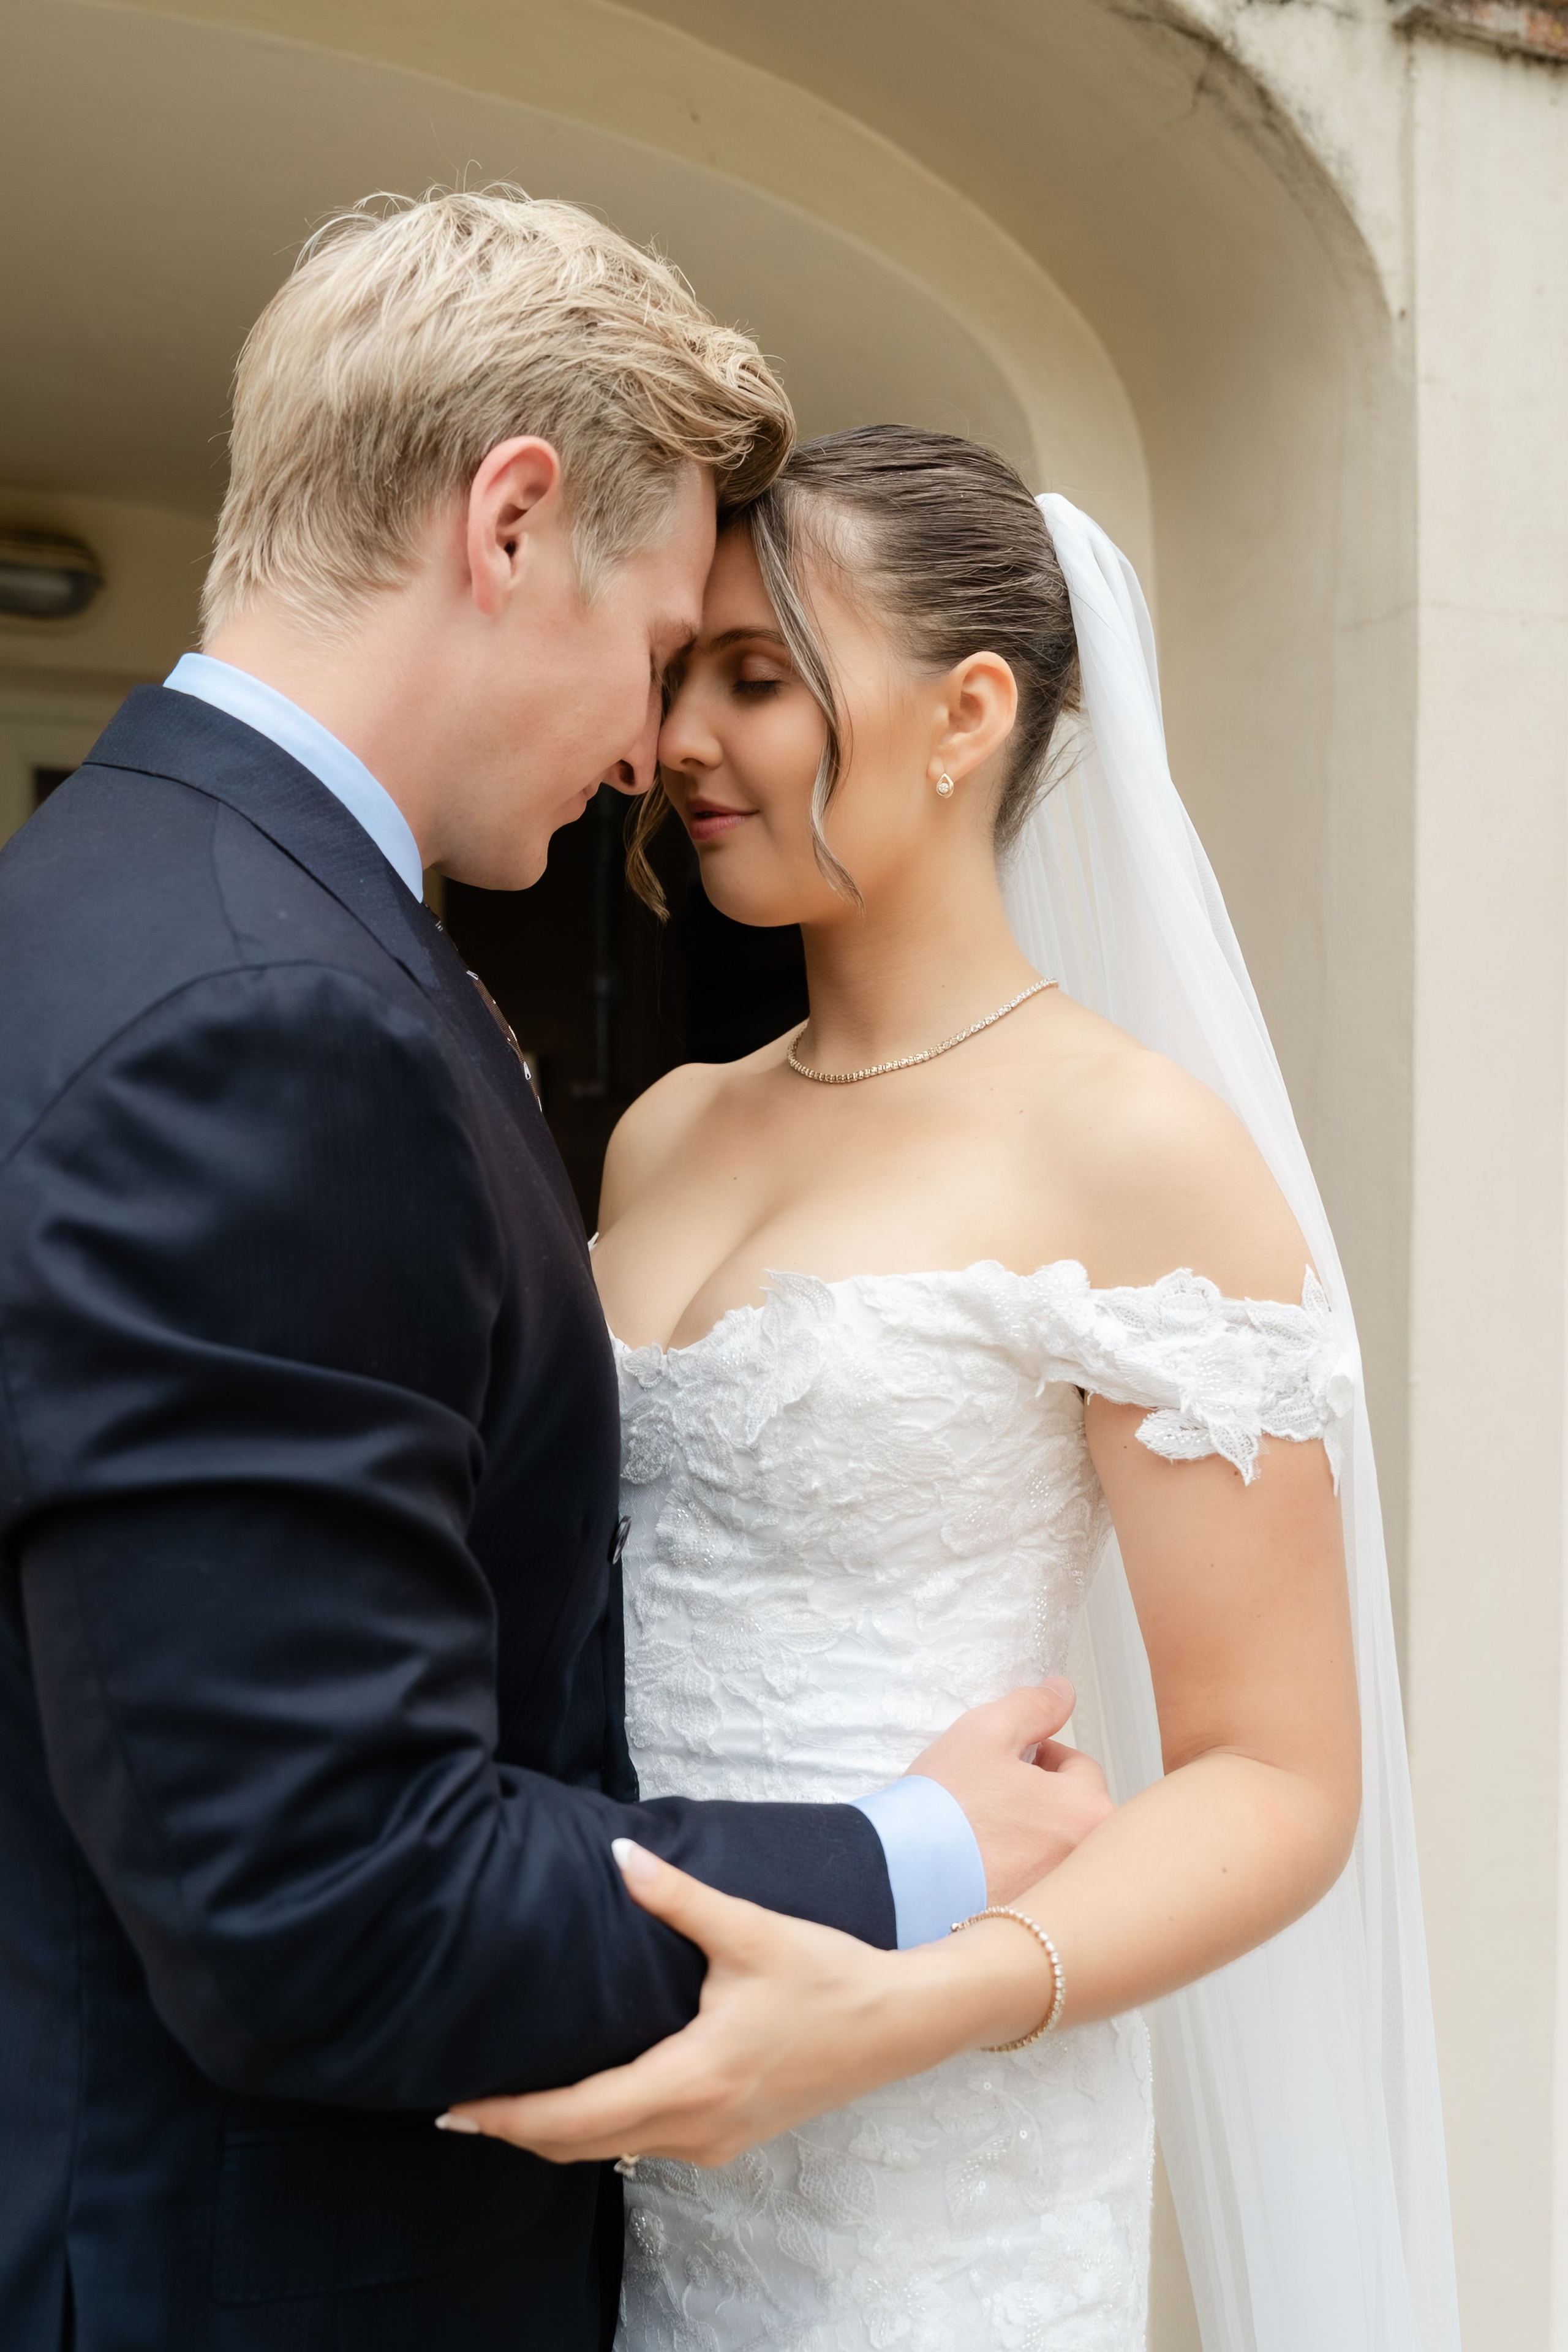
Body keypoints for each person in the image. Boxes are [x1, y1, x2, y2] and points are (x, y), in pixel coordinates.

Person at [0, 209, 1109, 2352]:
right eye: (664, 637)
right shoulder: (275, 1018)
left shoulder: (98, 895)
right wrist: (911, 1855)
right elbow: (329, 1899)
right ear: (513, 524)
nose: (646, 749)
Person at [451, 430, 1462, 2352]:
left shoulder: (1137, 1150)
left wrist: (891, 2011)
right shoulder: (666, 1133)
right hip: (622, 2079)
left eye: (757, 676)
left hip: (929, 2138)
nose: (678, 741)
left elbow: (1280, 1774)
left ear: (968, 711)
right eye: (683, 675)